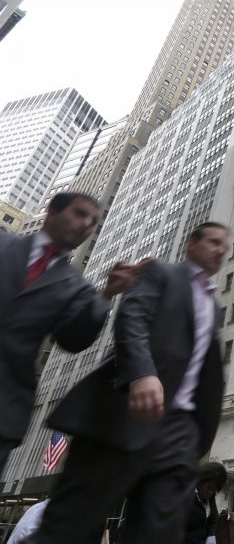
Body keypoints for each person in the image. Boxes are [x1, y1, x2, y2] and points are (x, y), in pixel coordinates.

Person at [26, 222, 230, 544]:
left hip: (179, 431)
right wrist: (142, 374)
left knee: (161, 532)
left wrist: (197, 436)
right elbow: (132, 318)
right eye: (214, 242)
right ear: (192, 244)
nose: (221, 249)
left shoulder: (214, 308)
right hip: (127, 413)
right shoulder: (161, 273)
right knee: (69, 525)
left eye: (225, 245)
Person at [0, 192, 140, 474]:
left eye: (93, 222)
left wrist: (107, 295)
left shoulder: (77, 287)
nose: (87, 224)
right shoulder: (4, 243)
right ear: (52, 211)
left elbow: (73, 340)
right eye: (80, 214)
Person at [185, 462, 227, 544]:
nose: (210, 492)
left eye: (214, 490)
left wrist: (211, 536)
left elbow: (214, 519)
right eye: (209, 487)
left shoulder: (210, 497)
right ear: (201, 480)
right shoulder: (187, 493)